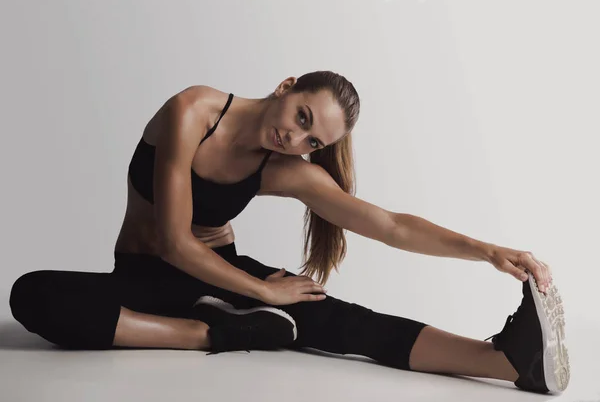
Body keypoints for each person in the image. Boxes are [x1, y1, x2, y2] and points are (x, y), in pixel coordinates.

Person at [9, 71, 569, 394]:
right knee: (35, 295)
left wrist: (488, 251)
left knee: (343, 322)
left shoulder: (283, 167)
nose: (296, 140)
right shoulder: (193, 111)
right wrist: (264, 296)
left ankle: (504, 361)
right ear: (286, 86)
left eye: (312, 142)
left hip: (220, 278)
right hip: (148, 277)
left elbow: (390, 225)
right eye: (302, 118)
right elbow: (172, 241)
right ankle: (217, 333)